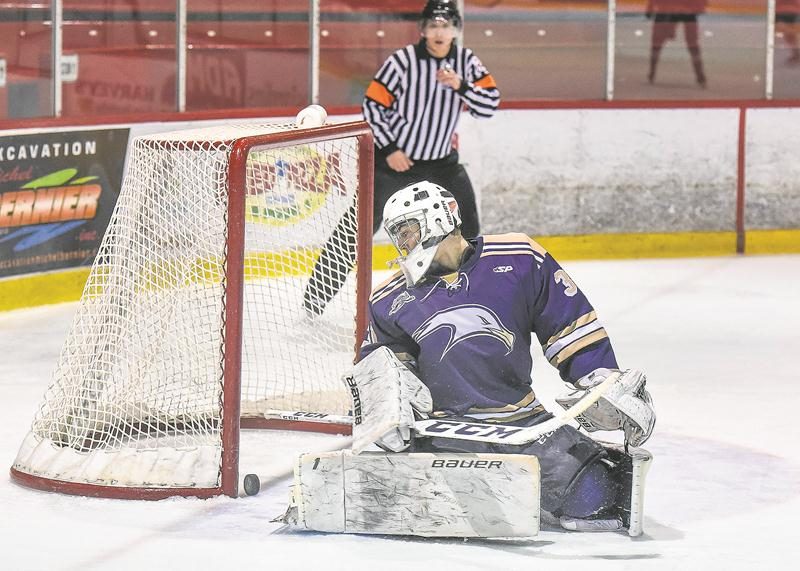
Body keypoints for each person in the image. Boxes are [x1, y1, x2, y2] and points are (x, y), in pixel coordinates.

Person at [356, 180, 656, 533]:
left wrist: (601, 382)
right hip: (442, 433)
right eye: (398, 237)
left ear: (438, 218)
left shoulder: (519, 257)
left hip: (520, 422)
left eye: (408, 231)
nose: (403, 245)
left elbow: (569, 327)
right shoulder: (389, 299)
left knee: (597, 496)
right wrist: (386, 416)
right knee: (424, 505)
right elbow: (382, 372)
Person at [302, 0, 499, 317]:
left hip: (442, 164)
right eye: (433, 25)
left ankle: (474, 297)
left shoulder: (466, 62)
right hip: (396, 163)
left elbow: (489, 105)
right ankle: (313, 304)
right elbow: (372, 105)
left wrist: (461, 86)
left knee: (469, 229)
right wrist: (391, 148)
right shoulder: (402, 61)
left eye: (445, 25)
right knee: (356, 229)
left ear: (455, 30)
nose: (439, 32)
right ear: (423, 29)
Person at [646, 0, 708, 87]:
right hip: (679, 9)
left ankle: (652, 72)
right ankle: (700, 76)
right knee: (692, 43)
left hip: (673, 9)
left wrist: (650, 9)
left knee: (657, 41)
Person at [777, 0, 800, 65]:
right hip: (781, 11)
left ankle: (796, 54)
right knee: (789, 35)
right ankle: (796, 53)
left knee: (790, 35)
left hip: (794, 11)